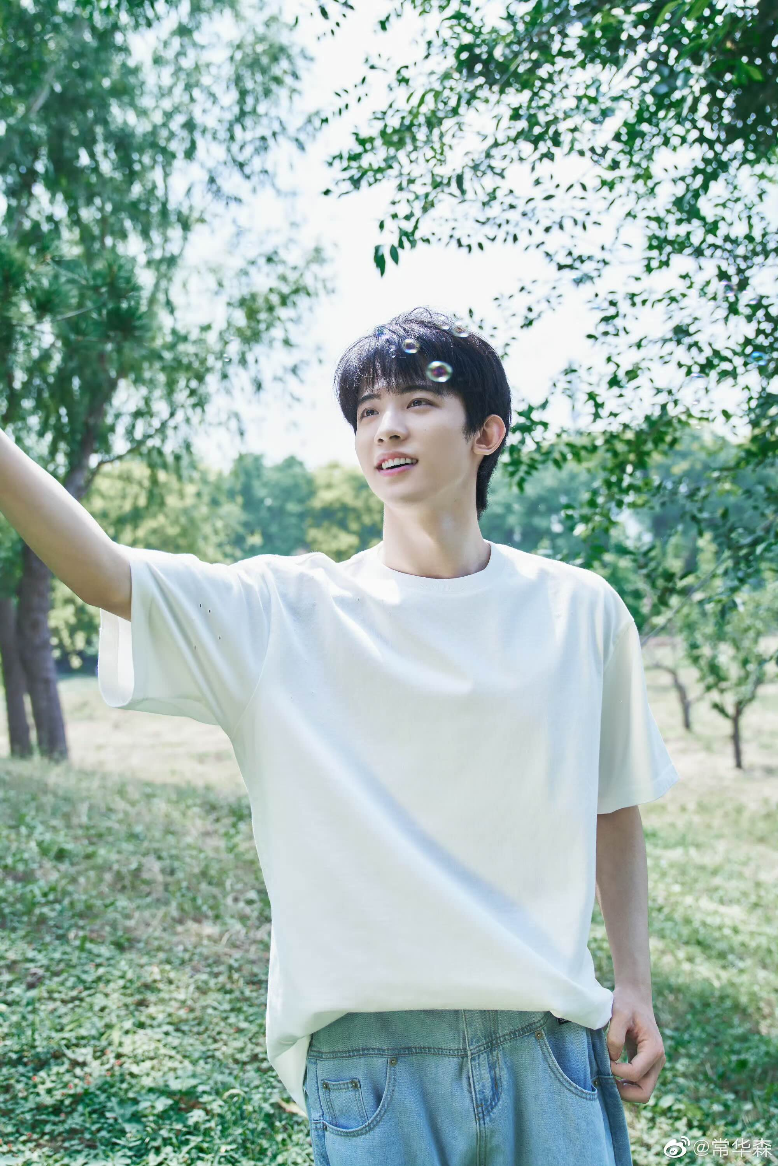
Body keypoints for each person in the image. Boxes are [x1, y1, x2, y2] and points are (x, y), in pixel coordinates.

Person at [0, 306, 679, 1166]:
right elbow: (106, 573)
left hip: (549, 1043)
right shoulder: (286, 610)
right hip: (368, 1057)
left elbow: (612, 804)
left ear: (487, 433)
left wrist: (634, 983)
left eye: (417, 402)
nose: (386, 427)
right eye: (366, 411)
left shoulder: (580, 610)